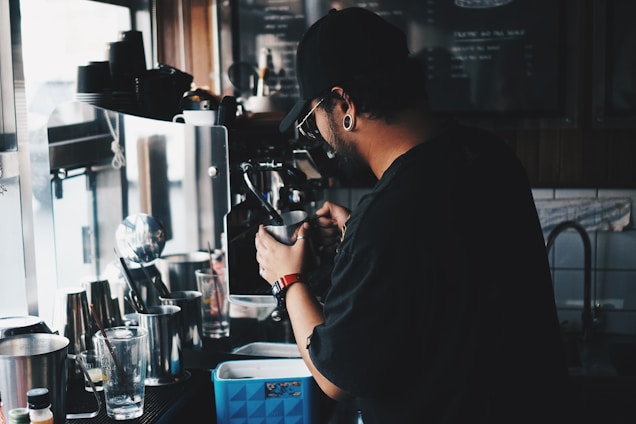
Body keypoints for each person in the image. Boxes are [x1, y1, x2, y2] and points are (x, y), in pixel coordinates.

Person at [254, 7, 570, 424]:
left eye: (314, 119)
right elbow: (445, 269)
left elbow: (337, 377)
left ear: (344, 103)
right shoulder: (488, 154)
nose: (320, 136)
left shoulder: (388, 216)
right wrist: (361, 242)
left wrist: (288, 279)